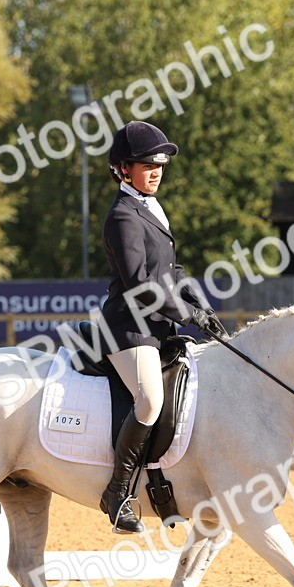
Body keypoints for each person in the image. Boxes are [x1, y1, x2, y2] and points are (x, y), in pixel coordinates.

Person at [98, 121, 223, 534]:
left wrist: (201, 306)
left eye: (159, 166)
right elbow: (139, 284)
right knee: (150, 401)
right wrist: (186, 315)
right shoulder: (123, 216)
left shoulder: (150, 207)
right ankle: (117, 493)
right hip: (128, 329)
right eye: (147, 166)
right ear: (123, 169)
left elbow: (173, 270)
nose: (156, 172)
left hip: (157, 328)